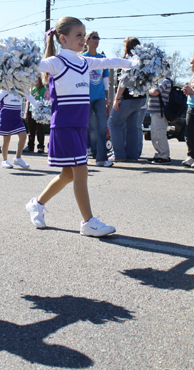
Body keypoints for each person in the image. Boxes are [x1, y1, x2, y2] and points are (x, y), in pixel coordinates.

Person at [25, 17, 132, 237]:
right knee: (81, 171)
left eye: (84, 35)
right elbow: (31, 66)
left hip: (80, 126)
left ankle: (36, 204)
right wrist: (14, 61)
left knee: (68, 175)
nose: (83, 39)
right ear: (63, 38)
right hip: (64, 125)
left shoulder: (85, 62)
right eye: (79, 35)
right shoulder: (55, 62)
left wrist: (134, 63)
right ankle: (88, 222)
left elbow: (108, 62)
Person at [108, 37, 146, 162]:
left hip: (127, 98)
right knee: (132, 127)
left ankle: (119, 155)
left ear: (127, 47)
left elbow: (123, 81)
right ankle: (132, 155)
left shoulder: (127, 62)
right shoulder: (143, 62)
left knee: (113, 124)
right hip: (140, 98)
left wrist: (117, 98)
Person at [82, 31, 112, 167]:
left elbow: (105, 79)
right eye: (94, 37)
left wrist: (107, 98)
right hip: (85, 98)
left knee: (102, 128)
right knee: (84, 127)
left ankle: (101, 159)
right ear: (87, 40)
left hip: (100, 97)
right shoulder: (82, 58)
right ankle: (81, 156)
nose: (97, 40)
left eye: (98, 38)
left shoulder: (102, 58)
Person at [0, 89, 31, 169]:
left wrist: (41, 106)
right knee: (6, 139)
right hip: (6, 117)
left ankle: (18, 158)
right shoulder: (5, 90)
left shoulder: (22, 89)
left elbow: (31, 99)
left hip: (17, 118)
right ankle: (4, 160)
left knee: (23, 136)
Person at [147, 76, 173, 164]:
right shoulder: (158, 81)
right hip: (155, 112)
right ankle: (159, 154)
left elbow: (155, 92)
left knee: (160, 134)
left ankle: (164, 156)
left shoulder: (165, 81)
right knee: (154, 135)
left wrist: (147, 89)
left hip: (160, 112)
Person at [24, 77, 47, 154]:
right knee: (31, 130)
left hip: (39, 112)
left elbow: (46, 100)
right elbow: (28, 101)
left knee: (40, 129)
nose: (34, 81)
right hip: (31, 111)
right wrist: (26, 112)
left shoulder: (44, 89)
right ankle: (30, 146)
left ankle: (41, 146)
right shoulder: (32, 89)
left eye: (36, 80)